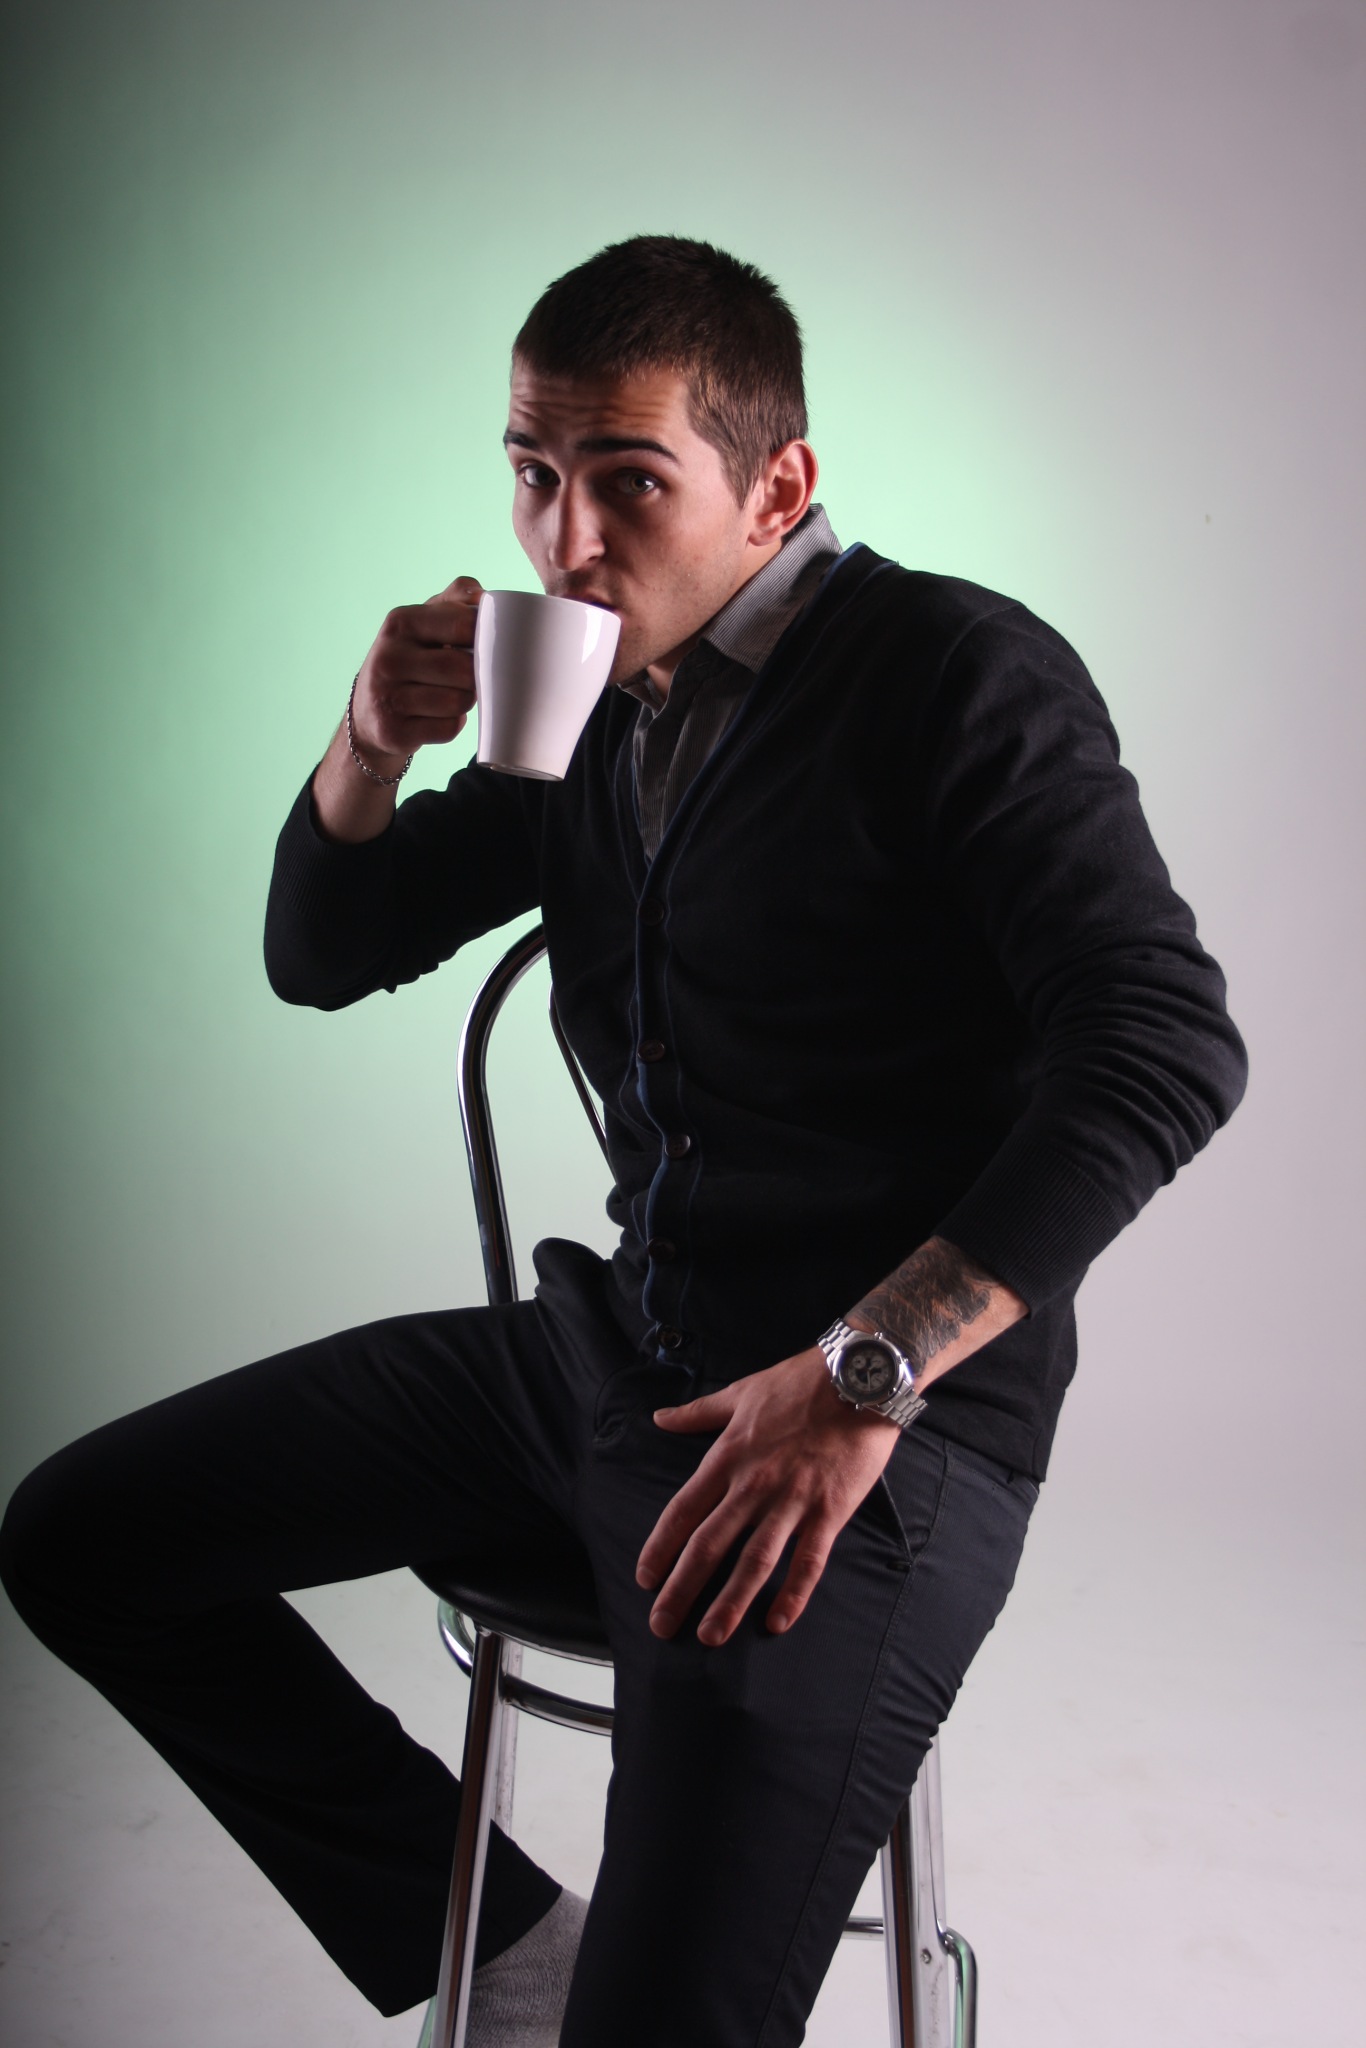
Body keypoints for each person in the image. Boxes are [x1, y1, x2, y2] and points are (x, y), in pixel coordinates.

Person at [0, 235, 1248, 2047]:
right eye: (532, 473)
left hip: (872, 1441)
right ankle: (518, 1958)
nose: (564, 542)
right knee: (84, 1538)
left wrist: (864, 1371)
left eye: (629, 483)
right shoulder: (599, 695)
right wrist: (367, 744)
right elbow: (326, 954)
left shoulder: (952, 672)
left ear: (776, 489)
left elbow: (1160, 1043)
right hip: (608, 1361)